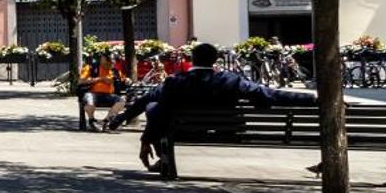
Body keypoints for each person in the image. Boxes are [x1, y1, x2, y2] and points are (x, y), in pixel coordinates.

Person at [133, 40, 315, 173]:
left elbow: (154, 105)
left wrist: (143, 137)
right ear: (215, 60)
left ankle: (165, 160)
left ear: (192, 59)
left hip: (183, 132)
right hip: (228, 132)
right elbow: (269, 95)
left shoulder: (176, 82)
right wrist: (312, 98)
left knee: (153, 107)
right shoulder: (231, 80)